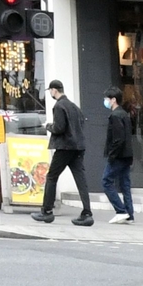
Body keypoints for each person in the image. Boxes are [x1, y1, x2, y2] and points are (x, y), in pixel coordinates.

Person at [36, 80, 93, 226]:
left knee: (52, 176)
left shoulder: (59, 106)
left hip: (64, 147)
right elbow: (80, 124)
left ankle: (47, 211)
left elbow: (59, 128)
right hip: (78, 147)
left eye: (50, 90)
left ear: (55, 90)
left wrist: (48, 126)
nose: (50, 93)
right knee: (81, 179)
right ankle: (87, 213)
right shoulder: (74, 107)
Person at [100, 94, 135, 225]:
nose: (105, 101)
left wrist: (112, 155)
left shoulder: (115, 116)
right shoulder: (124, 114)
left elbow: (118, 139)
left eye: (107, 98)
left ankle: (121, 211)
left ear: (113, 99)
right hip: (126, 155)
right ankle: (129, 214)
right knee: (125, 184)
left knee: (106, 181)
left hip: (118, 156)